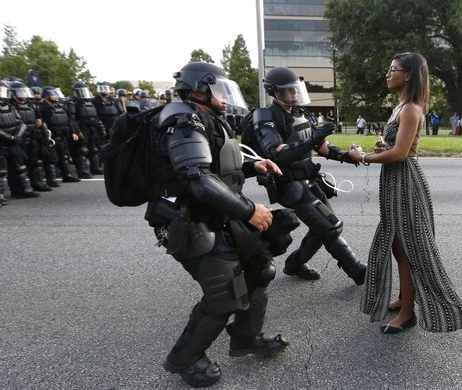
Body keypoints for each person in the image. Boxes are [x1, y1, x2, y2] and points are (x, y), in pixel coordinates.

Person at [143, 62, 290, 388]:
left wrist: (254, 166)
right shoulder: (182, 120)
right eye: (219, 89)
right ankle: (184, 358)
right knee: (224, 292)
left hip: (215, 215)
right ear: (198, 90)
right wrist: (250, 210)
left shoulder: (202, 118)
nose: (225, 96)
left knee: (258, 268)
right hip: (189, 221)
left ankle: (244, 337)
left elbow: (217, 166)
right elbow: (197, 179)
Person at [348, 52, 462, 334]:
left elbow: (401, 154)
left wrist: (363, 156)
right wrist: (382, 148)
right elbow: (395, 147)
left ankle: (407, 313)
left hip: (406, 182)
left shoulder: (412, 108)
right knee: (397, 244)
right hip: (395, 182)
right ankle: (405, 298)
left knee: (409, 248)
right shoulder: (400, 107)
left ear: (409, 75)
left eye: (393, 69)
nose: (388, 74)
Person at [252, 66, 367, 284]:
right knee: (330, 227)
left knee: (321, 228)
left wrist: (347, 156)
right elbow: (275, 153)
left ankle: (294, 264)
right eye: (288, 91)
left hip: (309, 179)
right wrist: (312, 141)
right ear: (274, 92)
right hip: (289, 184)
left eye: (295, 89)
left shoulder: (300, 113)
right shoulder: (265, 116)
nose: (294, 94)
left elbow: (322, 146)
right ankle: (358, 271)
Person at [0, 79, 40, 208]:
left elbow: (21, 122)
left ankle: (22, 190)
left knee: (19, 168)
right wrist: (8, 137)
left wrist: (17, 135)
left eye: (1, 91)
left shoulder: (10, 105)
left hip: (13, 142)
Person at [8, 80, 53, 192]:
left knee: (35, 162)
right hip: (18, 138)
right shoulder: (10, 105)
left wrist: (42, 132)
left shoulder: (31, 104)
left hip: (32, 136)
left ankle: (37, 184)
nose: (23, 95)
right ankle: (19, 189)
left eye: (24, 92)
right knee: (18, 165)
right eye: (20, 92)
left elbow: (39, 119)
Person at [39, 86, 81, 183]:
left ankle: (67, 175)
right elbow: (41, 123)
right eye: (53, 94)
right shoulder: (42, 108)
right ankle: (51, 179)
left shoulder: (60, 107)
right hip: (51, 136)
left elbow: (69, 120)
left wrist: (73, 132)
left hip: (62, 136)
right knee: (51, 159)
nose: (56, 97)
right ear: (46, 95)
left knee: (64, 157)